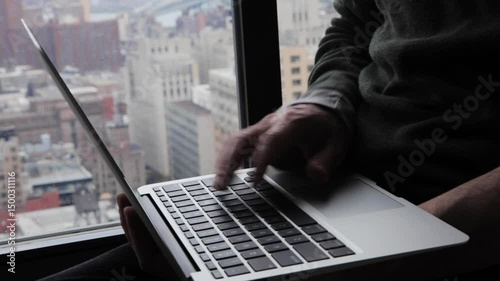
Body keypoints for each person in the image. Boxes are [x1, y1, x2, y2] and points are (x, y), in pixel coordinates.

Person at [40, 0, 499, 280]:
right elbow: (354, 25)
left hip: (451, 237)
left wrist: (389, 260)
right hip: (337, 199)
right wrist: (322, 105)